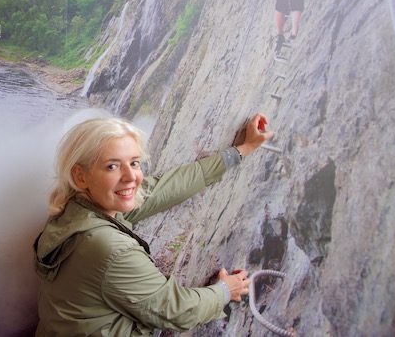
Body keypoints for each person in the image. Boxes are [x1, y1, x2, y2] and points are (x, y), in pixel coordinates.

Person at [33, 113, 274, 336]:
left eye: (135, 163)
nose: (131, 177)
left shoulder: (75, 209)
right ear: (80, 176)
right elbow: (176, 310)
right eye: (112, 166)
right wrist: (225, 290)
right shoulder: (109, 249)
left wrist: (242, 149)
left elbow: (163, 188)